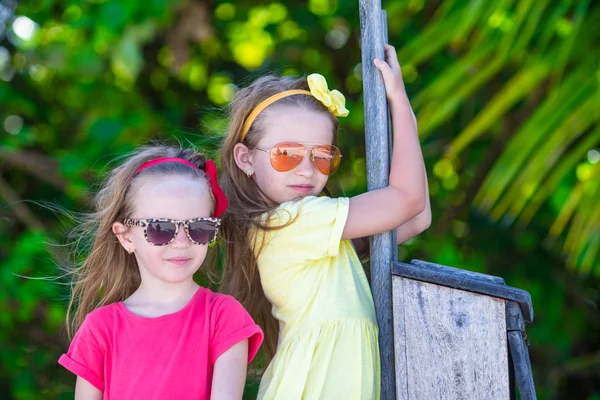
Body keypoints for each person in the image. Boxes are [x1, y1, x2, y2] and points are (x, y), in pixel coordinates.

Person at [218, 44, 431, 399]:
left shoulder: (313, 230)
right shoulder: (291, 221)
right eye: (286, 155)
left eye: (322, 156)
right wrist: (400, 104)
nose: (306, 169)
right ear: (246, 159)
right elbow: (407, 200)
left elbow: (417, 215)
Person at [58, 145, 263, 400]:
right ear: (126, 237)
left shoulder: (224, 317)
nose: (181, 242)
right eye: (160, 227)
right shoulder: (100, 329)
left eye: (199, 227)